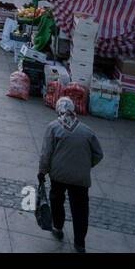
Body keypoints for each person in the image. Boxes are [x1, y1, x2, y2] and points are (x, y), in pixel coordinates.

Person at [38, 96, 104, 253]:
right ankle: (79, 243)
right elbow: (98, 154)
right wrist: (86, 165)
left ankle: (58, 228)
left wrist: (42, 171)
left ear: (58, 110)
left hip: (58, 176)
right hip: (80, 179)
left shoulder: (53, 127)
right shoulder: (87, 131)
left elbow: (46, 153)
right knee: (80, 209)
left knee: (57, 200)